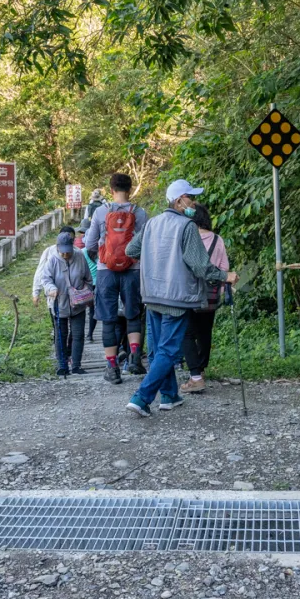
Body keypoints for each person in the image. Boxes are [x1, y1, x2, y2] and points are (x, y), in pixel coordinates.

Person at [124, 180, 238, 417]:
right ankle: (141, 398)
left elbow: (130, 251)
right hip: (176, 297)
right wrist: (225, 276)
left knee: (158, 350)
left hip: (152, 295)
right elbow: (201, 267)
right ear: (178, 201)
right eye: (190, 198)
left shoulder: (152, 223)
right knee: (169, 351)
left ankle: (169, 396)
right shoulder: (187, 226)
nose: (193, 203)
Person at [84, 173, 148, 384]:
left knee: (109, 319)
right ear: (130, 189)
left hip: (105, 271)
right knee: (133, 315)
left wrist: (101, 257)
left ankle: (112, 367)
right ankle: (135, 359)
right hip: (133, 269)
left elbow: (90, 243)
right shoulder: (140, 213)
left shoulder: (101, 212)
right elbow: (145, 243)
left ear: (111, 190)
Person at [179, 204, 229, 395]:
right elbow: (224, 267)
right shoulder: (218, 239)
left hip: (189, 292)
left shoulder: (187, 237)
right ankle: (202, 369)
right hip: (211, 294)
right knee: (205, 332)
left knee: (187, 333)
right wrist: (221, 290)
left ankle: (195, 375)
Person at [40, 232, 94, 376]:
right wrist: (51, 289)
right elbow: (45, 279)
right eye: (62, 252)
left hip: (78, 304)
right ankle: (62, 365)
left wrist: (84, 292)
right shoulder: (52, 260)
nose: (65, 255)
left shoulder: (80, 257)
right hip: (59, 302)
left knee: (78, 334)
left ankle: (76, 365)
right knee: (60, 334)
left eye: (68, 251)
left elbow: (88, 279)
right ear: (58, 248)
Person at [33, 225, 77, 361]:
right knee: (59, 328)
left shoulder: (77, 253)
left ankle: (68, 352)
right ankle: (61, 357)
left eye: (71, 239)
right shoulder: (49, 252)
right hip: (55, 297)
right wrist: (36, 292)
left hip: (73, 299)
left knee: (74, 329)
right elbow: (41, 273)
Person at [77, 219, 98, 340]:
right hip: (99, 283)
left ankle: (86, 333)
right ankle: (90, 334)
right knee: (93, 311)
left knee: (85, 309)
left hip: (87, 284)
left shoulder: (82, 252)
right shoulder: (98, 251)